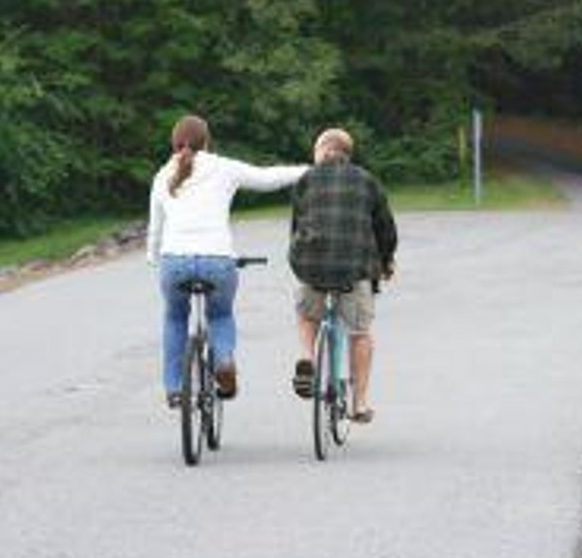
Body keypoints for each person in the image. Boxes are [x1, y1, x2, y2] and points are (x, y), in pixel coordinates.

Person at [147, 114, 307, 408]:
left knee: (174, 317)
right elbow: (268, 178)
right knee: (219, 315)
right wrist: (309, 169)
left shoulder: (161, 176)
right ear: (206, 141)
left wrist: (153, 259)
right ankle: (223, 360)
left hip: (174, 261)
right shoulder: (223, 168)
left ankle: (174, 388)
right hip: (217, 260)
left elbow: (155, 230)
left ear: (174, 142)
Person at [288, 128, 397, 424]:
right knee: (360, 332)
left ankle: (307, 358)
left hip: (311, 266)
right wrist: (386, 262)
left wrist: (301, 260)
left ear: (322, 150)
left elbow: (296, 228)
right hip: (354, 267)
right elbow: (385, 228)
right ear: (347, 154)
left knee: (306, 315)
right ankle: (359, 404)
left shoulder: (305, 180)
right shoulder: (366, 181)